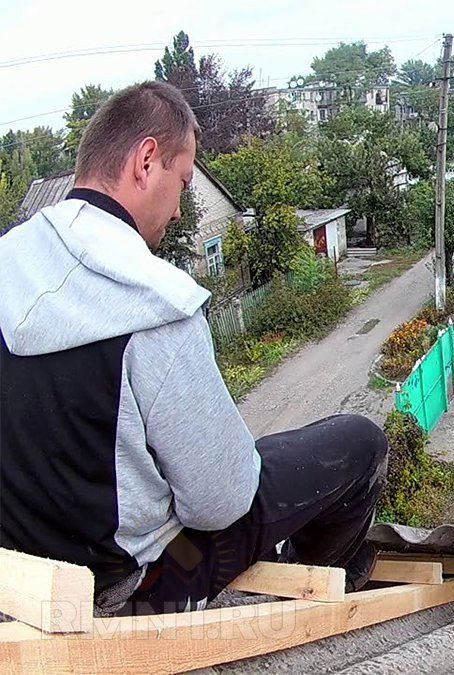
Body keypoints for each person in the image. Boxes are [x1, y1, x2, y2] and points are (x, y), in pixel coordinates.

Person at [0, 81, 387, 616]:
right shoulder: (155, 302)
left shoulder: (10, 258)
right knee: (359, 442)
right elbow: (221, 502)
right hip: (139, 588)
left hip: (17, 584)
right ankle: (315, 590)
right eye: (183, 181)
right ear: (146, 160)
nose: (180, 209)